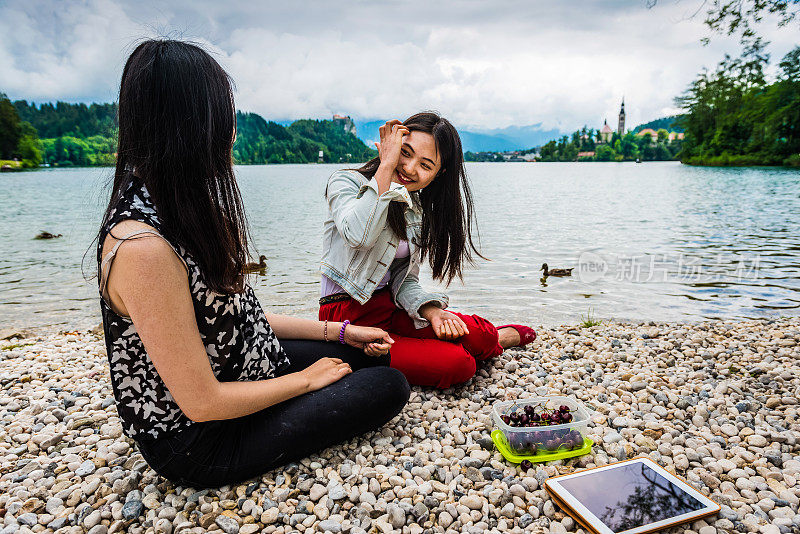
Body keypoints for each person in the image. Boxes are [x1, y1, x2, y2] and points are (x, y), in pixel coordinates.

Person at [97, 39, 409, 488]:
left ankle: (304, 378)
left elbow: (245, 317)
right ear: (190, 129)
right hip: (201, 438)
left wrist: (342, 331)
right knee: (388, 387)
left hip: (247, 365)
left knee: (360, 359)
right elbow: (201, 401)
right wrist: (305, 382)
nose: (233, 135)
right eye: (225, 119)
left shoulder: (187, 208)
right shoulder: (141, 248)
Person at [319, 113, 537, 389]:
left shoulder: (415, 207)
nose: (409, 168)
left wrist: (431, 311)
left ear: (438, 174)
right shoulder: (345, 183)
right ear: (391, 146)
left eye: (425, 165)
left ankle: (489, 341)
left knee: (480, 334)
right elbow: (357, 235)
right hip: (347, 320)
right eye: (404, 153)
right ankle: (463, 348)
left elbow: (404, 281)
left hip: (391, 310)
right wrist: (386, 166)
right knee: (459, 365)